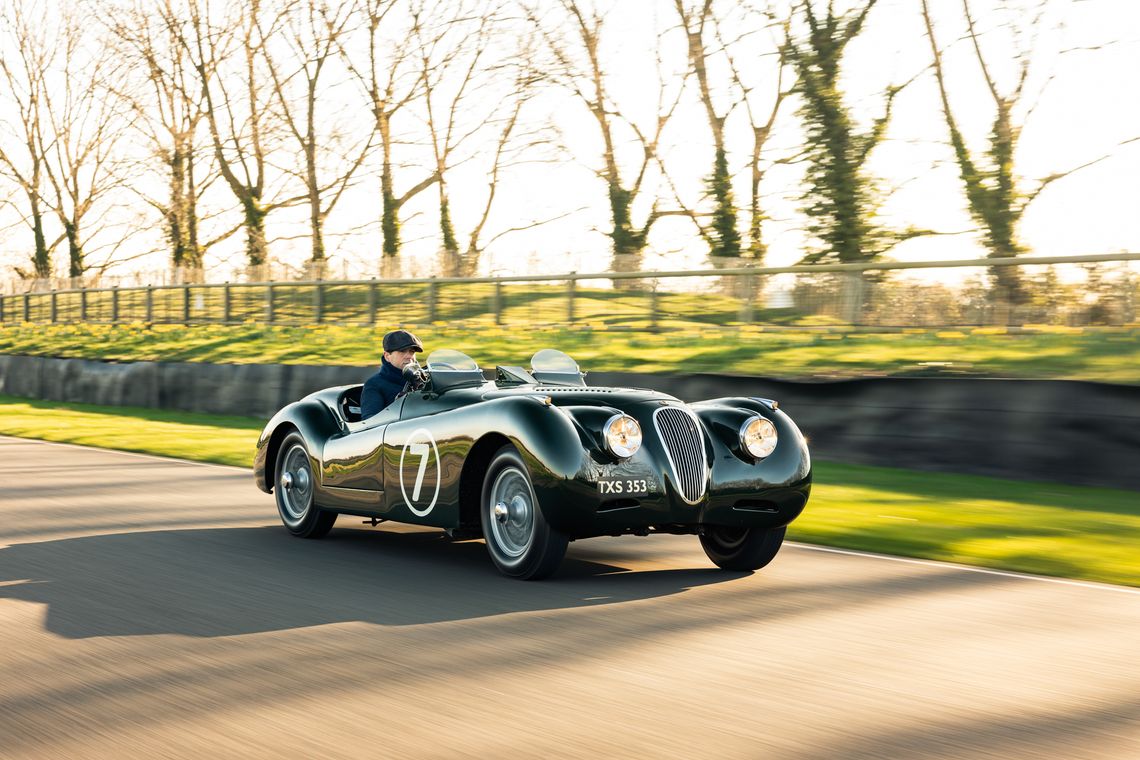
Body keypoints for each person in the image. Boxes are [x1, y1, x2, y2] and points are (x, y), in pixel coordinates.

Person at [361, 329, 424, 419]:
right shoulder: (374, 384)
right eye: (402, 351)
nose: (409, 356)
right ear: (387, 356)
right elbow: (370, 421)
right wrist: (397, 406)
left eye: (412, 351)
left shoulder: (426, 379)